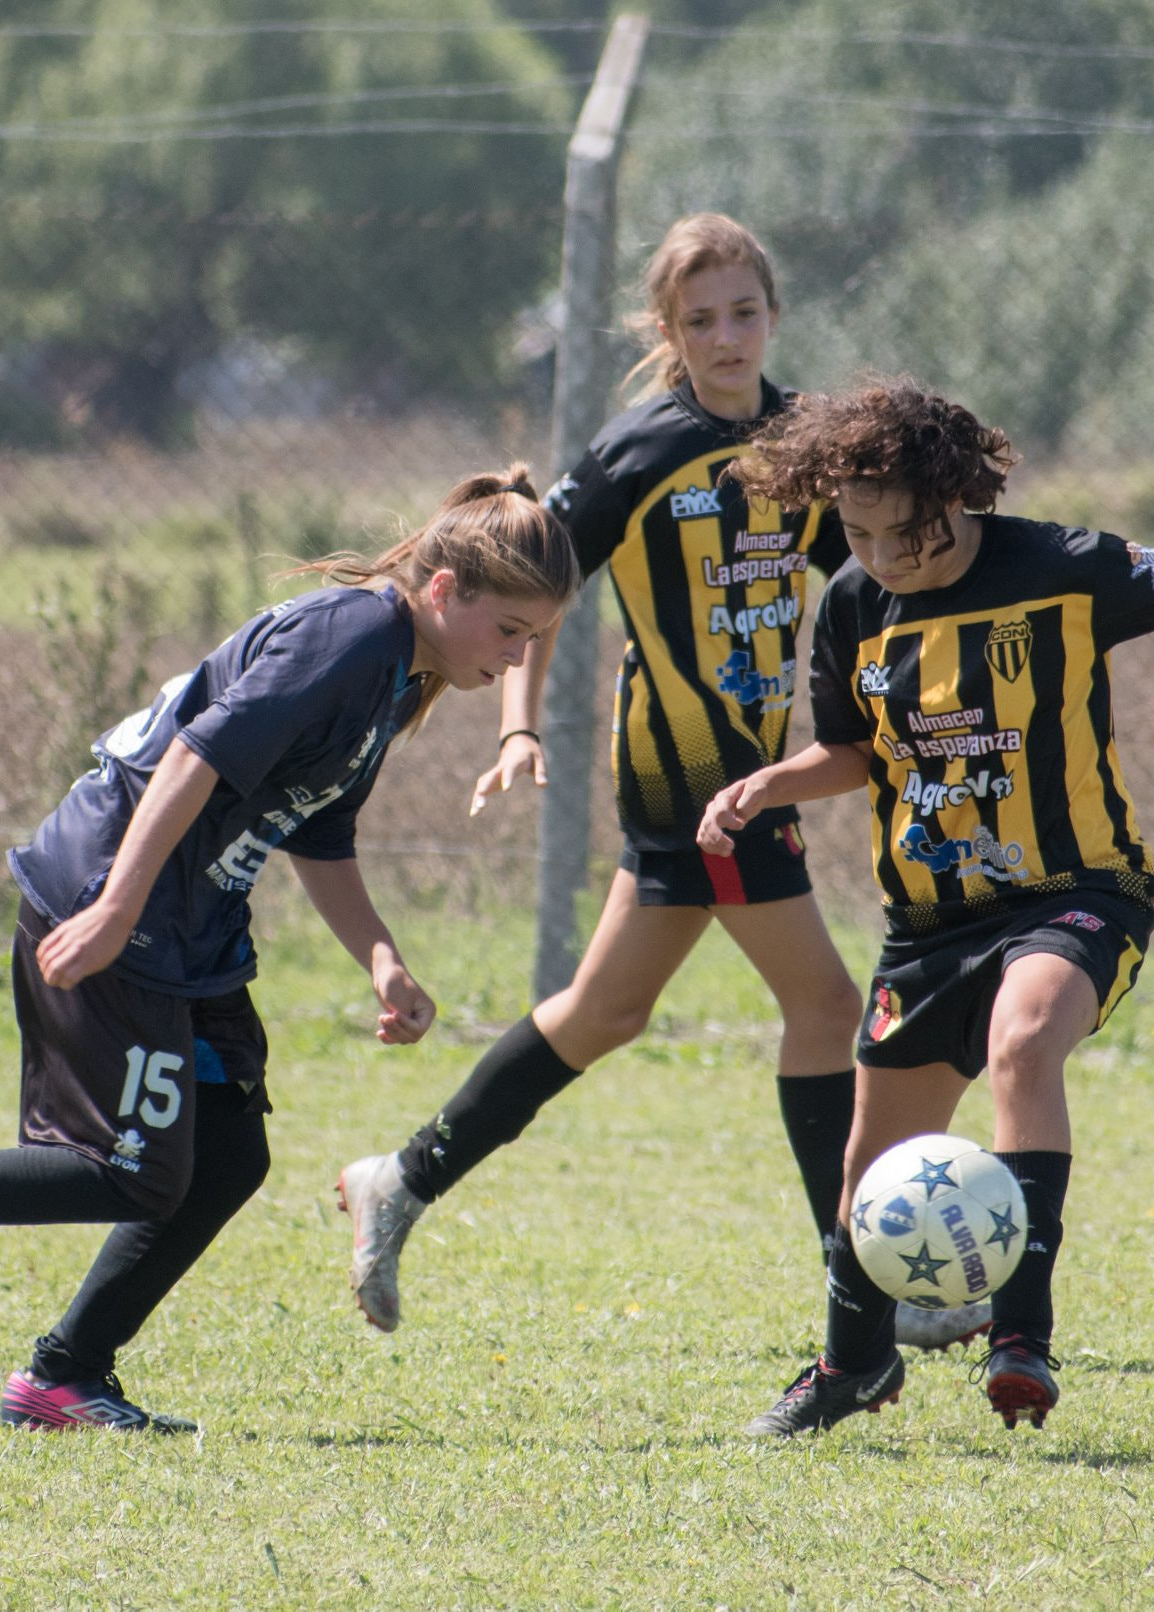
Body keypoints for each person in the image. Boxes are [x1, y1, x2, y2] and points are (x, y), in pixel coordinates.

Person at [698, 375, 1154, 1438]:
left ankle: (1019, 1336)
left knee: (1024, 1034)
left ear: (947, 502)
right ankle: (850, 1365)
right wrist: (769, 782)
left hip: (1077, 893)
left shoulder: (1061, 568)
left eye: (885, 531)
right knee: (866, 1171)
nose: (866, 553)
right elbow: (852, 750)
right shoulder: (853, 606)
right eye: (848, 531)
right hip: (927, 925)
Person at [0, 467, 579, 1432]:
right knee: (132, 1169)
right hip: (119, 897)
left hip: (188, 918)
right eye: (510, 632)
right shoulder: (354, 636)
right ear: (447, 589)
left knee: (229, 1153)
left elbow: (314, 829)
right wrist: (118, 902)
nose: (515, 658)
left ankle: (64, 1378)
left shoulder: (397, 669)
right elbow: (198, 753)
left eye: (533, 642)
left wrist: (380, 956)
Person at [334, 215, 993, 1355]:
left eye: (743, 313)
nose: (725, 336)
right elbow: (537, 577)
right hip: (683, 770)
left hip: (747, 766)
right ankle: (867, 1280)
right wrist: (518, 723)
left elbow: (872, 575)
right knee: (828, 1011)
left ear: (773, 315)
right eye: (699, 320)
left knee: (604, 1012)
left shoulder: (809, 441)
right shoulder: (639, 450)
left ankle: (399, 1177)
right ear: (666, 330)